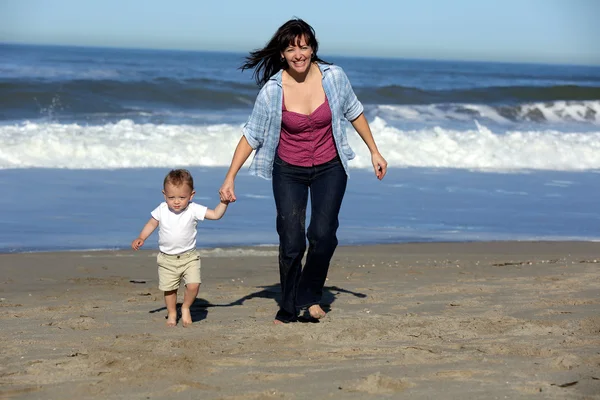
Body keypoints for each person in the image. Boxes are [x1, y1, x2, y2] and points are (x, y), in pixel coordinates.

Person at [219, 18, 387, 324]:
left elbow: (355, 111)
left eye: (304, 47)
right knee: (292, 240)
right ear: (282, 53)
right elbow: (252, 134)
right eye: (291, 48)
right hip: (289, 170)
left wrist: (374, 151)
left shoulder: (333, 77)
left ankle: (310, 295)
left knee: (323, 235)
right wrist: (230, 176)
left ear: (313, 48)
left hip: (330, 166)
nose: (299, 54)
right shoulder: (272, 91)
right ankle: (288, 305)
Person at [132, 169, 229, 327]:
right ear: (164, 195)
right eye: (171, 197)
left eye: (182, 197)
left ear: (191, 195)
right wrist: (141, 237)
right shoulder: (162, 209)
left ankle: (185, 307)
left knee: (193, 285)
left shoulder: (193, 209)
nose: (176, 201)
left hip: (189, 257)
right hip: (167, 259)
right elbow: (151, 223)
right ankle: (171, 312)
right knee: (169, 289)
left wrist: (224, 202)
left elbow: (216, 214)